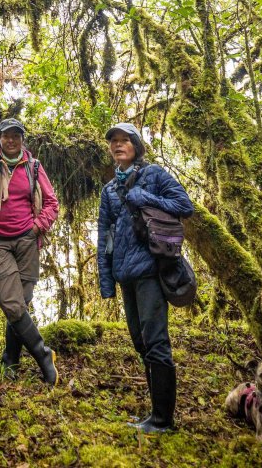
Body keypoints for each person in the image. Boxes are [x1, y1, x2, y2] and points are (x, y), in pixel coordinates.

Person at [96, 120, 193, 433]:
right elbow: (105, 234)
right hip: (125, 275)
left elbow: (184, 205)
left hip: (151, 271)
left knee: (156, 344)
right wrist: (106, 278)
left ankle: (164, 420)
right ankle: (154, 416)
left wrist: (147, 198)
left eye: (125, 140)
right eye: (114, 141)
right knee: (140, 343)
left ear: (136, 145)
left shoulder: (154, 175)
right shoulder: (109, 190)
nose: (118, 145)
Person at [0, 117, 61, 383]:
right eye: (7, 136)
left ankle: (11, 360)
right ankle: (43, 354)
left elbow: (52, 202)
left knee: (22, 303)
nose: (11, 140)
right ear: (0, 139)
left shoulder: (34, 167)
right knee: (12, 304)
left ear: (22, 139)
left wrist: (37, 227)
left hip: (28, 242)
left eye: (16, 136)